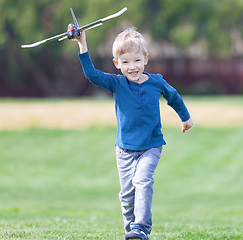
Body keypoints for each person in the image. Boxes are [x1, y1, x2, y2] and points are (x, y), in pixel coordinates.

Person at [73, 27, 193, 240]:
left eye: (137, 60)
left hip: (151, 146)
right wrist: (82, 44)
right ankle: (132, 232)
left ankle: (141, 227)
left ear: (145, 59)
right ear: (117, 64)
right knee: (127, 196)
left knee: (143, 181)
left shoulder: (156, 82)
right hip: (124, 150)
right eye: (125, 62)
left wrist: (185, 117)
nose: (132, 67)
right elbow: (91, 74)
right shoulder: (116, 83)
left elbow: (173, 97)